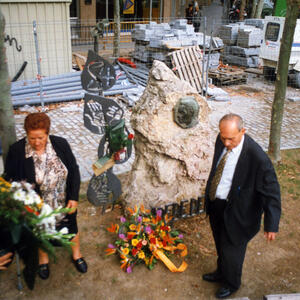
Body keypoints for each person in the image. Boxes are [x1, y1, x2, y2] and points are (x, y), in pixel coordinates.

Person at [203, 113, 281, 299]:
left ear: (243, 131)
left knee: (233, 250)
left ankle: (232, 283)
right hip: (217, 204)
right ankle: (221, 272)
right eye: (223, 138)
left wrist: (271, 224)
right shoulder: (221, 139)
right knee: (221, 242)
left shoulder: (258, 158)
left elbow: (271, 191)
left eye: (231, 138)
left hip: (240, 213)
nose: (226, 143)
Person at [4, 112, 88, 280]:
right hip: (37, 206)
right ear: (26, 133)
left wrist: (74, 197)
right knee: (40, 233)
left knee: (71, 228)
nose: (36, 142)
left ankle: (76, 254)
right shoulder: (17, 151)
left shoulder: (61, 144)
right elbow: (10, 179)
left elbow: (74, 171)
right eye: (32, 138)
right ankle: (43, 258)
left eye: (40, 138)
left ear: (47, 133)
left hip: (63, 200)